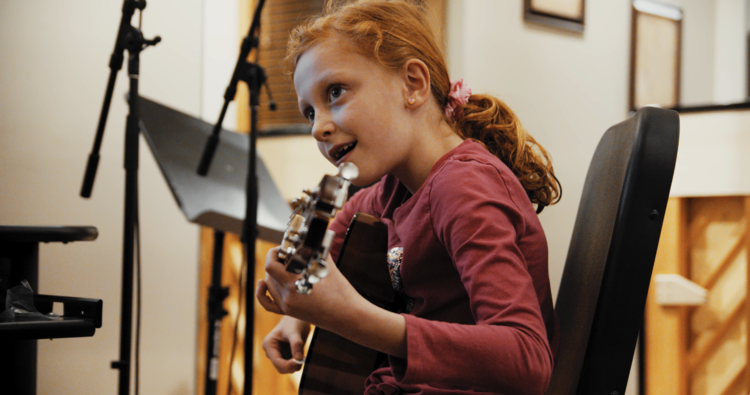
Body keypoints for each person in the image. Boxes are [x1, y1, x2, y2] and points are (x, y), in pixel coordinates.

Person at [255, 1, 562, 394]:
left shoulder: (464, 187)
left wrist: (351, 318)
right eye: (309, 113)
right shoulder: (390, 190)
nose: (318, 128)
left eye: (335, 92)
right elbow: (327, 245)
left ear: (413, 84)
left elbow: (527, 359)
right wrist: (297, 315)